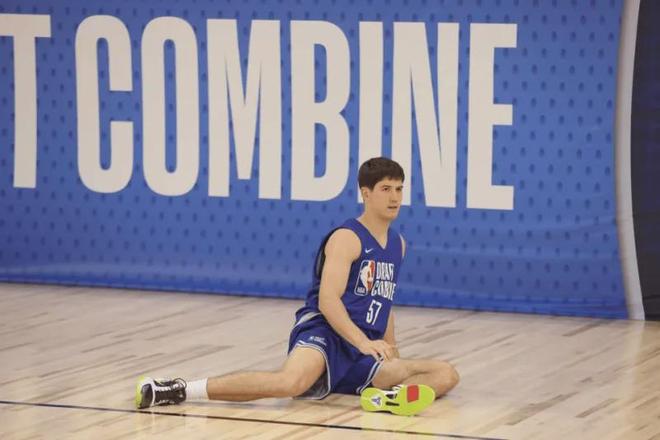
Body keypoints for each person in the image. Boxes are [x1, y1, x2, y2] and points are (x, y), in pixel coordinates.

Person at [136, 157, 459, 415]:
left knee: (445, 373)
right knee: (290, 383)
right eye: (386, 189)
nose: (395, 197)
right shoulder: (347, 238)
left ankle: (387, 399)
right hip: (327, 332)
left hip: (362, 349)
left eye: (399, 189)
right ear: (366, 193)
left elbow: (384, 302)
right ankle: (179, 389)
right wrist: (362, 342)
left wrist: (391, 349)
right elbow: (328, 301)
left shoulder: (398, 244)